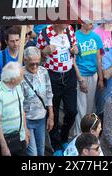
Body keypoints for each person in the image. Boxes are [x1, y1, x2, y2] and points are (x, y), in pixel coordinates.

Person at [36, 24, 78, 153]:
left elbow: (75, 48)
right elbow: (36, 56)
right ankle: (56, 145)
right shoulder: (44, 32)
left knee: (72, 111)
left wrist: (74, 50)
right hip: (52, 76)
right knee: (52, 110)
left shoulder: (70, 29)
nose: (66, 22)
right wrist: (44, 52)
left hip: (69, 74)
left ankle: (64, 137)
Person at [0, 62, 28, 156]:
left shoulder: (17, 87)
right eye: (21, 75)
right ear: (13, 79)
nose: (23, 77)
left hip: (19, 137)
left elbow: (21, 110)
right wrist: (4, 146)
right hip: (3, 141)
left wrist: (25, 130)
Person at [21, 47, 54, 156]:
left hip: (41, 118)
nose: (35, 66)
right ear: (25, 61)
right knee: (33, 153)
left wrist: (51, 116)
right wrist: (24, 128)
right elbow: (19, 103)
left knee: (41, 150)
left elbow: (49, 93)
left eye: (37, 63)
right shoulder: (20, 75)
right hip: (28, 120)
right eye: (31, 64)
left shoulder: (43, 71)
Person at [74, 21, 104, 135]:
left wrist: (100, 78)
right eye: (89, 21)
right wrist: (80, 79)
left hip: (93, 75)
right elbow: (74, 61)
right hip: (81, 75)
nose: (92, 23)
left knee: (89, 109)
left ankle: (87, 135)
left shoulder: (96, 37)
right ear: (82, 23)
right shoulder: (75, 36)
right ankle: (78, 136)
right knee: (81, 108)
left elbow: (98, 59)